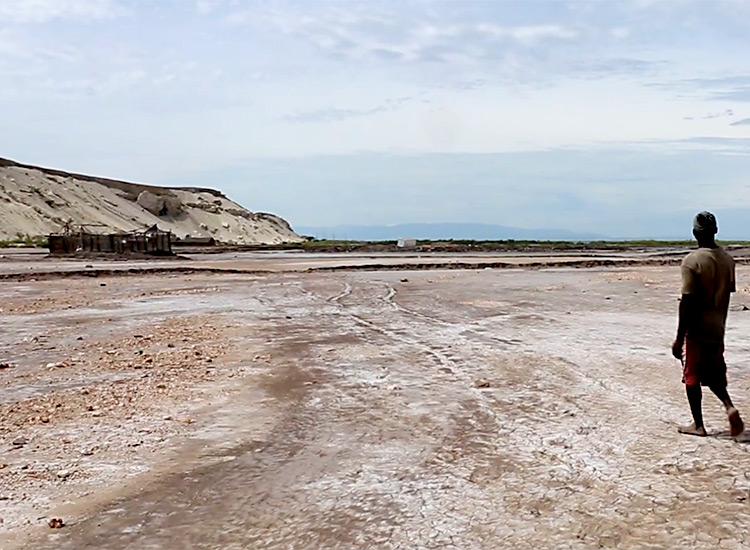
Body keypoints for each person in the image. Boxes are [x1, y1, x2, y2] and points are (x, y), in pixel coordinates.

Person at [672, 211, 744, 437]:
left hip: (696, 330)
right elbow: (727, 292)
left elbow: (688, 301)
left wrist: (679, 336)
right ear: (715, 231)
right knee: (714, 373)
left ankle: (698, 425)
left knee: (691, 377)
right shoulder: (727, 259)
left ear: (695, 233)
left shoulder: (691, 261)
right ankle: (728, 406)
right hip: (717, 328)